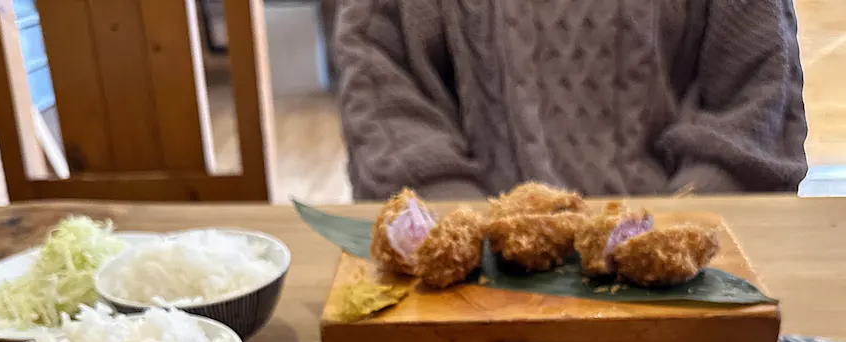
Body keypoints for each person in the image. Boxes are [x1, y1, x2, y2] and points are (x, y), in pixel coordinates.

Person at [334, 0, 808, 201]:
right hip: (471, 279)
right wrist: (463, 229)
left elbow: (759, 94)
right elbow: (382, 84)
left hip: (685, 272)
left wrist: (684, 225)